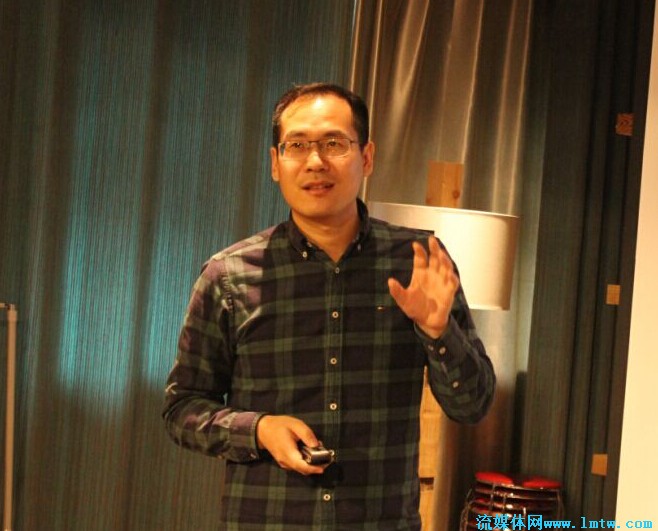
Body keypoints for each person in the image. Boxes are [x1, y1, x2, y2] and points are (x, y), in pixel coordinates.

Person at [163, 82, 495, 530]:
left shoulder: (417, 263)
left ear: (367, 157)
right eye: (298, 145)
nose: (316, 161)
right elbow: (182, 409)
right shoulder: (229, 276)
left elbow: (472, 405)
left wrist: (438, 333)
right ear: (275, 163)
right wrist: (258, 430)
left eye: (334, 144)